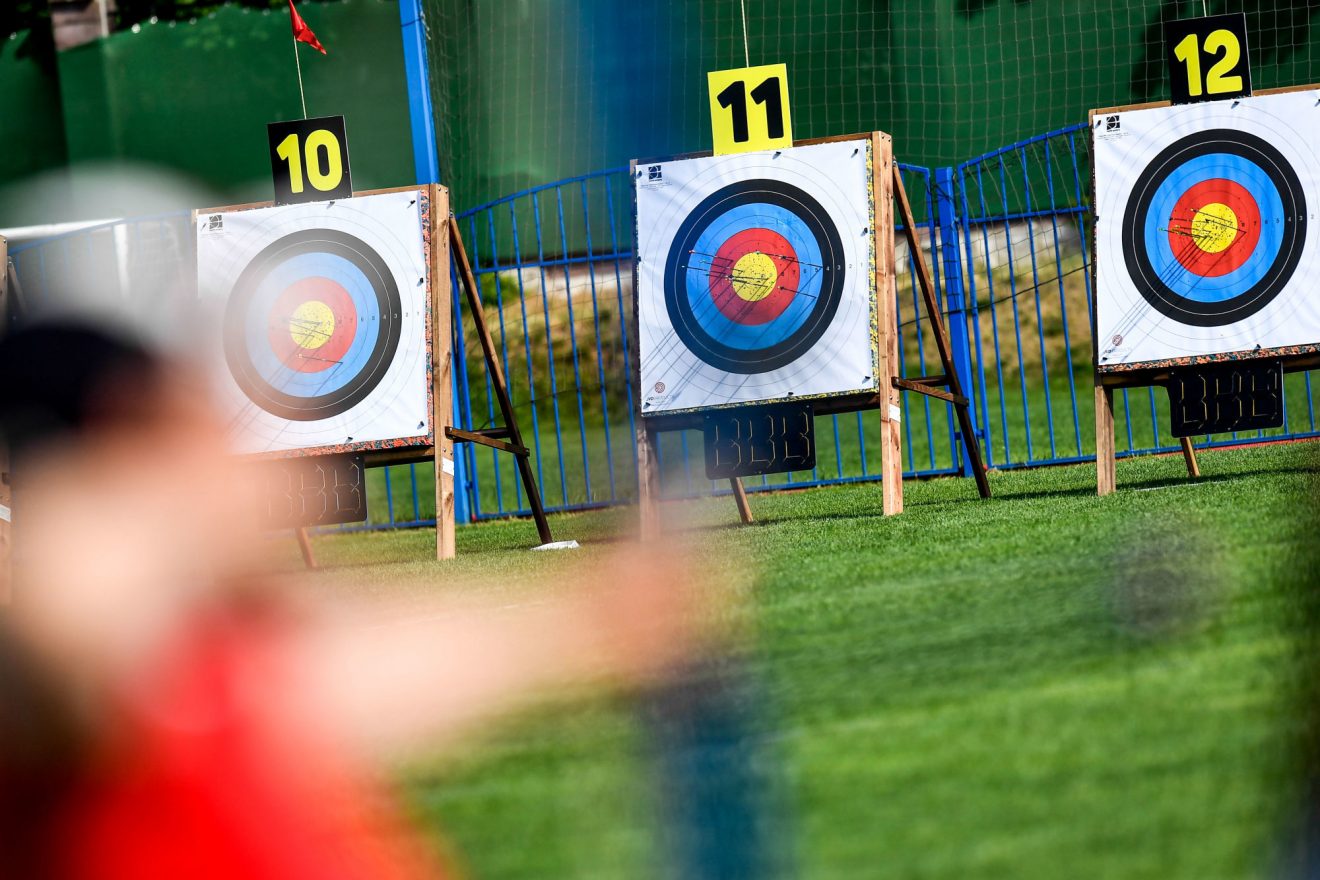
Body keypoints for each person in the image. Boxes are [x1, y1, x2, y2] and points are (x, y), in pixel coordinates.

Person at [0, 321, 712, 880]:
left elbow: (342, 676)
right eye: (187, 418)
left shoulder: (207, 682)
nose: (220, 440)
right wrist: (175, 518)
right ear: (127, 438)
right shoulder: (93, 682)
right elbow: (65, 634)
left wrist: (588, 619)